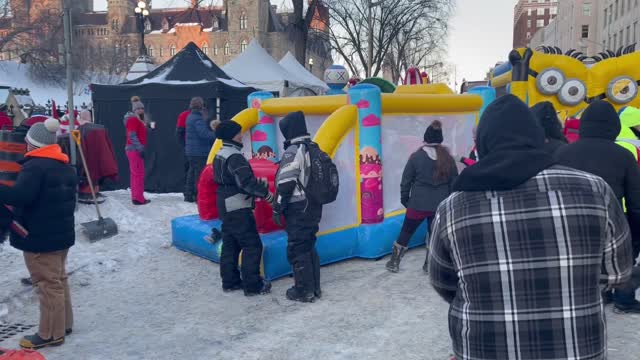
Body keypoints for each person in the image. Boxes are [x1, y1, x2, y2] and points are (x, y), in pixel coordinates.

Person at [429, 95, 633, 360]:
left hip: (484, 349)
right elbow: (618, 270)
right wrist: (574, 283)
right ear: (538, 138)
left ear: (482, 145)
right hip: (577, 348)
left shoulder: (452, 207)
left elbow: (443, 282)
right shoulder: (595, 190)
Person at [555, 100, 640, 313]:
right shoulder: (623, 155)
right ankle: (623, 297)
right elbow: (635, 199)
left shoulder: (563, 153)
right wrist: (636, 233)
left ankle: (589, 295)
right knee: (620, 254)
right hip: (610, 218)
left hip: (570, 220)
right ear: (615, 126)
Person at [0, 118, 77, 349]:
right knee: (58, 280)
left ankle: (50, 334)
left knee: (46, 283)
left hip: (39, 237)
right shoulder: (64, 165)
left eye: (26, 141)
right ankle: (63, 324)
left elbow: (21, 197)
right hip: (60, 234)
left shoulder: (35, 166)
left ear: (34, 143)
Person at [386, 120, 458, 273]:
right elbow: (454, 182)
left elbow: (406, 181)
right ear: (440, 139)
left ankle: (394, 262)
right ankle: (429, 265)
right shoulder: (448, 158)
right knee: (434, 236)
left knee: (406, 232)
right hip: (440, 204)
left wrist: (406, 200)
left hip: (417, 203)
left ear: (425, 138)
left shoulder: (416, 157)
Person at [213, 120, 274, 296]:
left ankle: (230, 281)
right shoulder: (234, 156)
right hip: (237, 206)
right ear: (232, 136)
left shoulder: (221, 153)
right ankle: (253, 285)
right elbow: (245, 182)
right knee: (252, 245)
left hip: (224, 205)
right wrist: (266, 194)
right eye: (239, 133)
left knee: (230, 244)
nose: (241, 135)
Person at [273, 111, 323, 303]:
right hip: (313, 205)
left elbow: (285, 182)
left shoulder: (294, 151)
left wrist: (278, 207)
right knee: (309, 244)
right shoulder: (313, 147)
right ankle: (314, 287)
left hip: (298, 207)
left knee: (297, 248)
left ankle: (303, 290)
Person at [185, 97, 216, 203]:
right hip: (199, 152)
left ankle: (188, 195)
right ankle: (199, 197)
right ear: (200, 106)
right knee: (200, 175)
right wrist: (217, 134)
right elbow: (204, 134)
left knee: (191, 173)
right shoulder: (198, 119)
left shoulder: (190, 117)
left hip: (191, 151)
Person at [125, 99, 149, 205]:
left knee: (135, 174)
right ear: (134, 110)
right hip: (134, 149)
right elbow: (132, 135)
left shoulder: (137, 120)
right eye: (138, 108)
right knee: (138, 174)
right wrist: (140, 148)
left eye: (142, 108)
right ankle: (138, 198)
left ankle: (136, 197)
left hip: (134, 149)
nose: (140, 110)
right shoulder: (133, 120)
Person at [176, 108, 191, 202]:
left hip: (191, 148)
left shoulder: (184, 115)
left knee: (190, 171)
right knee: (189, 171)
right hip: (189, 148)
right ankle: (188, 193)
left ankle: (189, 193)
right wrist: (184, 146)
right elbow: (179, 133)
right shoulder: (184, 115)